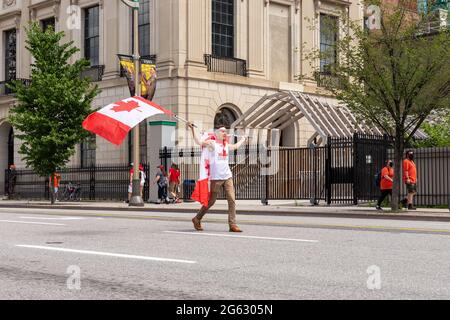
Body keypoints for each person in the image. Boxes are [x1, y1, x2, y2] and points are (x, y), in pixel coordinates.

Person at [188, 122, 247, 233]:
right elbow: (198, 142)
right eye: (222, 131)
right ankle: (197, 218)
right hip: (216, 178)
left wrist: (243, 140)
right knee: (211, 202)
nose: (225, 133)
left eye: (225, 131)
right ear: (216, 133)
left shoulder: (225, 144)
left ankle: (232, 224)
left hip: (227, 176)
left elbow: (234, 147)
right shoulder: (212, 144)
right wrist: (192, 130)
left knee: (232, 199)